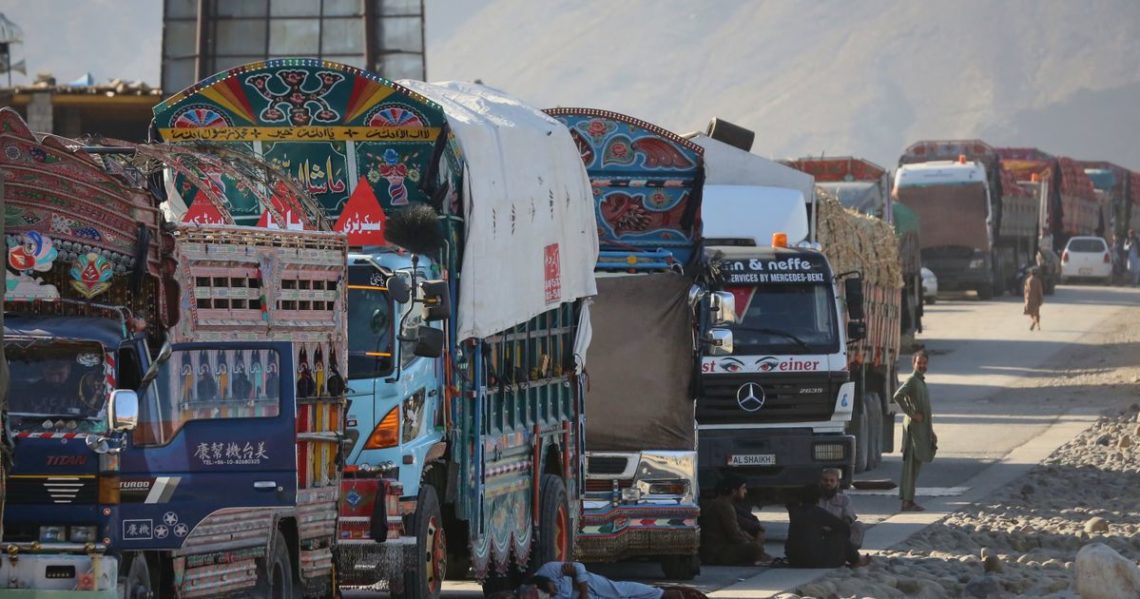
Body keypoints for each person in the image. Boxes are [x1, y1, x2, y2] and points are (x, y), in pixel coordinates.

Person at [784, 484, 870, 568]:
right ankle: (856, 559)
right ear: (818, 499)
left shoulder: (795, 512)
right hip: (813, 560)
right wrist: (829, 533)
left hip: (794, 560)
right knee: (840, 538)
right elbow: (844, 528)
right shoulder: (818, 512)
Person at [893, 350, 937, 512]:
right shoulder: (912, 380)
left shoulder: (921, 382)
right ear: (914, 364)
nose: (922, 366)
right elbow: (898, 395)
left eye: (924, 363)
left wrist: (931, 432)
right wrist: (912, 414)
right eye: (919, 363)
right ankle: (907, 501)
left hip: (922, 430)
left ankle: (909, 500)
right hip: (913, 431)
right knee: (910, 467)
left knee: (916, 466)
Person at [699, 474, 771, 565]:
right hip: (716, 553)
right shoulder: (725, 506)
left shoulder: (719, 503)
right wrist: (754, 544)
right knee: (756, 548)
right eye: (743, 488)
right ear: (733, 491)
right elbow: (735, 535)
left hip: (711, 551)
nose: (745, 491)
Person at [525, 561, 692, 599]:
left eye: (552, 587)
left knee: (622, 590)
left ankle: (662, 594)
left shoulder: (548, 570)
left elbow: (578, 567)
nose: (554, 591)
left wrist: (583, 591)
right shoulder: (540, 594)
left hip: (588, 584)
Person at [817, 467, 865, 550]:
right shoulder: (815, 499)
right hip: (818, 533)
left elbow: (849, 519)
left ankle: (849, 551)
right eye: (825, 480)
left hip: (838, 532)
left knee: (858, 526)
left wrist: (839, 527)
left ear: (837, 483)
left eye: (832, 481)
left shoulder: (844, 499)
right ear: (820, 482)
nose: (828, 483)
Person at [1023, 267, 1044, 331]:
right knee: (1037, 313)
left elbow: (1025, 290)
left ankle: (1034, 321)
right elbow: (1040, 291)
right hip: (1036, 299)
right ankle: (1038, 325)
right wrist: (1041, 299)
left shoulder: (1028, 280)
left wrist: (1025, 299)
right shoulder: (1038, 281)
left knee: (1031, 313)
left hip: (1029, 299)